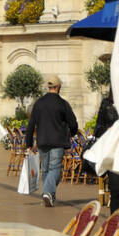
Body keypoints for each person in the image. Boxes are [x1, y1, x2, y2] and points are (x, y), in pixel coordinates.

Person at [25, 75, 79, 208]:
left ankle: (50, 196)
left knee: (47, 169)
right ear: (59, 87)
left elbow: (31, 124)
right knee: (55, 169)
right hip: (58, 142)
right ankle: (48, 192)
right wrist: (71, 134)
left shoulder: (39, 103)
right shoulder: (63, 104)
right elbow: (73, 123)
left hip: (42, 141)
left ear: (48, 87)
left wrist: (29, 144)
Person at [94, 85, 119, 216]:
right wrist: (108, 130)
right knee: (117, 190)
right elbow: (97, 129)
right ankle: (116, 227)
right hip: (113, 153)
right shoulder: (106, 104)